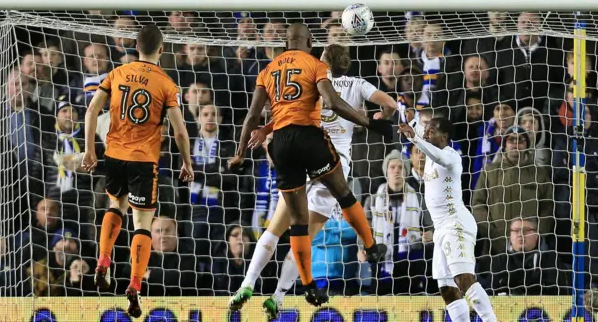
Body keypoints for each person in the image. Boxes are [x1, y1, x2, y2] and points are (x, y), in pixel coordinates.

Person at [228, 24, 393, 309]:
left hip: (284, 144)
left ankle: (247, 284)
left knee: (281, 227)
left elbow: (260, 113)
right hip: (322, 151)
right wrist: (379, 118)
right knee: (336, 201)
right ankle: (279, 295)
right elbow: (383, 103)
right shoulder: (346, 80)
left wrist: (243, 150)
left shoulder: (270, 70)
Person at [81, 24, 194, 318]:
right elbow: (180, 132)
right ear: (162, 49)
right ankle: (134, 284)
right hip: (144, 161)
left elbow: (92, 110)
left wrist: (90, 149)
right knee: (142, 224)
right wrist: (187, 162)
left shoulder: (117, 74)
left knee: (114, 204)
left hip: (114, 154)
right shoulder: (167, 84)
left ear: (135, 46)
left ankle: (103, 259)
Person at [398, 118, 497, 322]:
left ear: (443, 137)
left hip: (456, 223)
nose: (426, 134)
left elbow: (438, 154)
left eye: (431, 131)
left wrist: (415, 137)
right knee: (446, 289)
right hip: (441, 230)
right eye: (425, 131)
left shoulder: (451, 156)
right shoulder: (428, 158)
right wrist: (411, 121)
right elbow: (419, 131)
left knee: (464, 280)